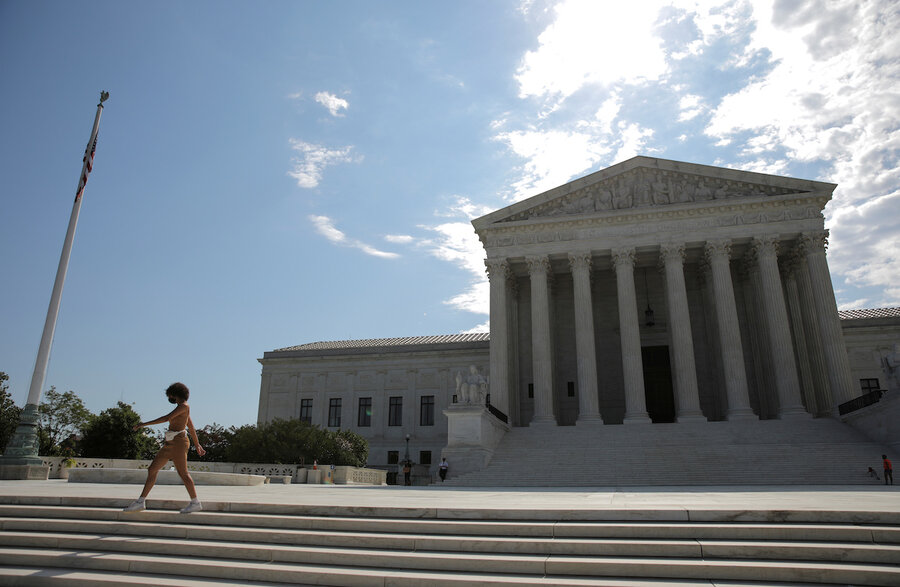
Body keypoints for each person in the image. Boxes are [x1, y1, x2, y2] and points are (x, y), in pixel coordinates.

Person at [123, 382, 206, 513]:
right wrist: (197, 444)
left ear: (174, 394)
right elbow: (190, 426)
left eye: (170, 395)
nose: (170, 398)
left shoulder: (184, 406)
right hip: (170, 443)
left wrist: (143, 424)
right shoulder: (182, 407)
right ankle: (140, 501)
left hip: (179, 442)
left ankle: (195, 502)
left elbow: (167, 418)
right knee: (152, 469)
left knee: (183, 473)